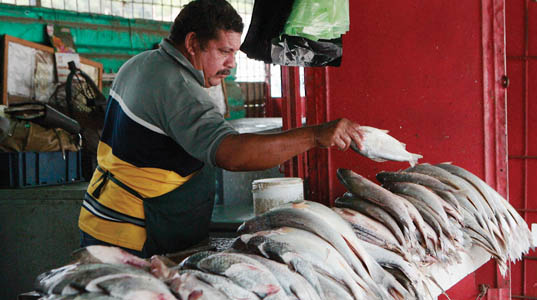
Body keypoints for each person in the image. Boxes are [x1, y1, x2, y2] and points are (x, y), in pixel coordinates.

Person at [78, 0, 364, 257]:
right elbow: (230, 153)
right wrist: (314, 135)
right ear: (192, 43)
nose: (231, 63)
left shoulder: (141, 63)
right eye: (224, 51)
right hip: (134, 235)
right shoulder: (177, 86)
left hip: (103, 219)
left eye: (234, 52)